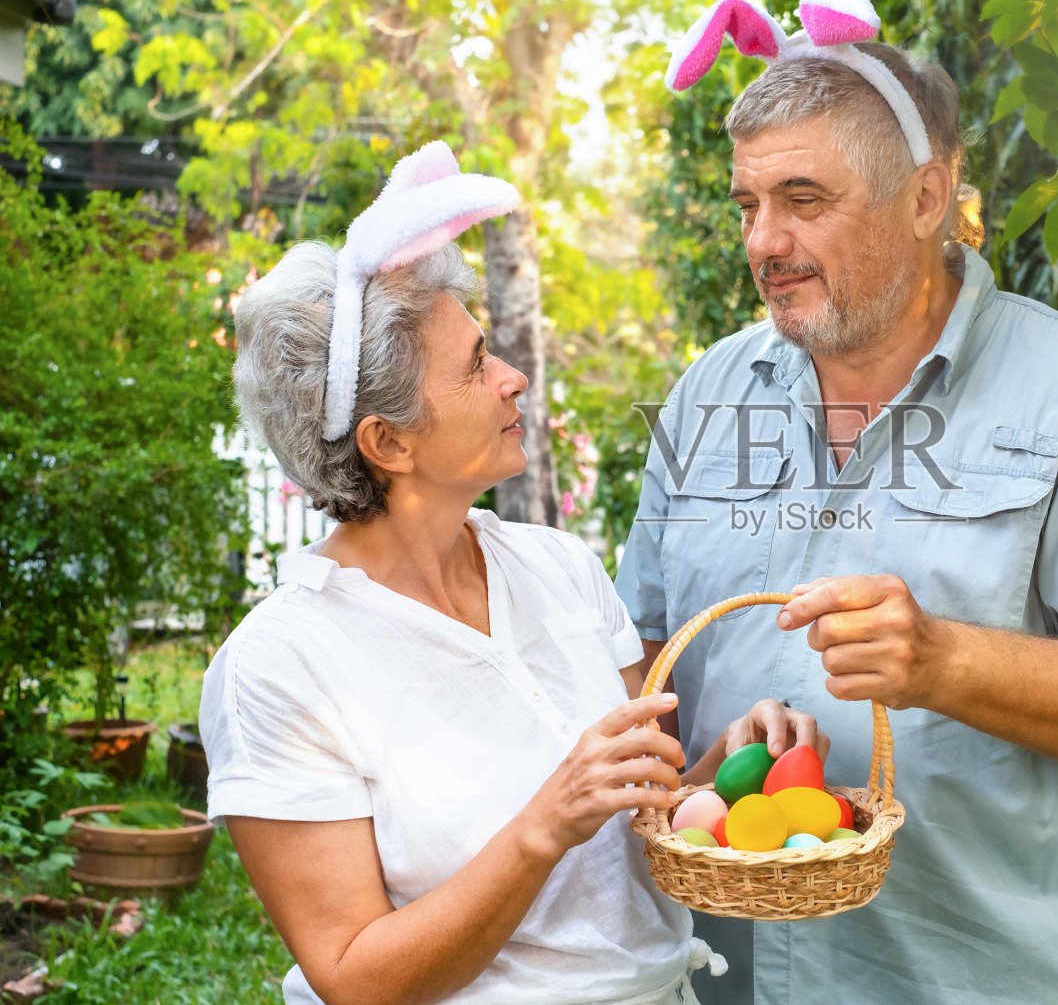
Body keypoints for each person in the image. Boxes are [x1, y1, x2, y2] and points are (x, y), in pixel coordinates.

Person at [615, 0, 1058, 1005]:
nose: (762, 242)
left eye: (803, 200)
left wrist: (940, 658)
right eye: (749, 205)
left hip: (959, 976)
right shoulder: (707, 393)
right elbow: (637, 659)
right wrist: (695, 763)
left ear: (927, 197)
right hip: (716, 972)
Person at [199, 142, 826, 1005]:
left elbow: (648, 814)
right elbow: (352, 975)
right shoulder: (282, 663)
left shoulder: (558, 569)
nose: (513, 377)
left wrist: (727, 765)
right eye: (475, 365)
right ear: (389, 442)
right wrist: (541, 826)